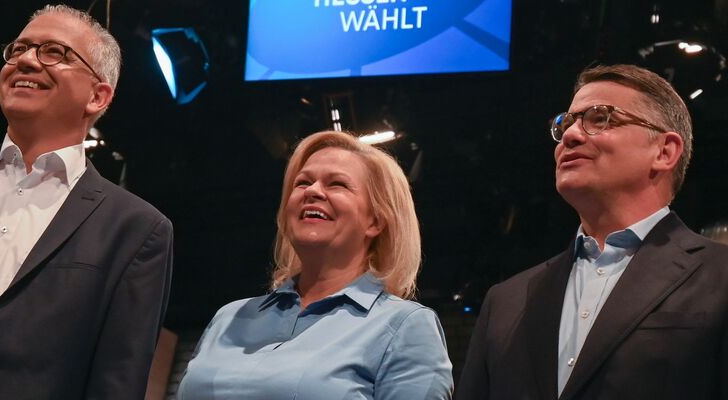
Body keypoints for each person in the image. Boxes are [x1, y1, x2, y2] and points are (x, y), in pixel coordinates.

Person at [0, 5, 173, 399]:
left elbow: (118, 381)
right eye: (19, 49)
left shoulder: (136, 229)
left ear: (97, 96)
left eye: (54, 52)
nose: (25, 60)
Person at [456, 64, 728, 400]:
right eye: (566, 123)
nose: (570, 135)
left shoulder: (720, 275)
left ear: (664, 151)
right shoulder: (506, 301)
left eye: (600, 118)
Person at [177, 131, 453, 399]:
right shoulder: (228, 317)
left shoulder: (405, 327)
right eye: (302, 183)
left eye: (337, 184)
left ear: (375, 222)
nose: (313, 191)